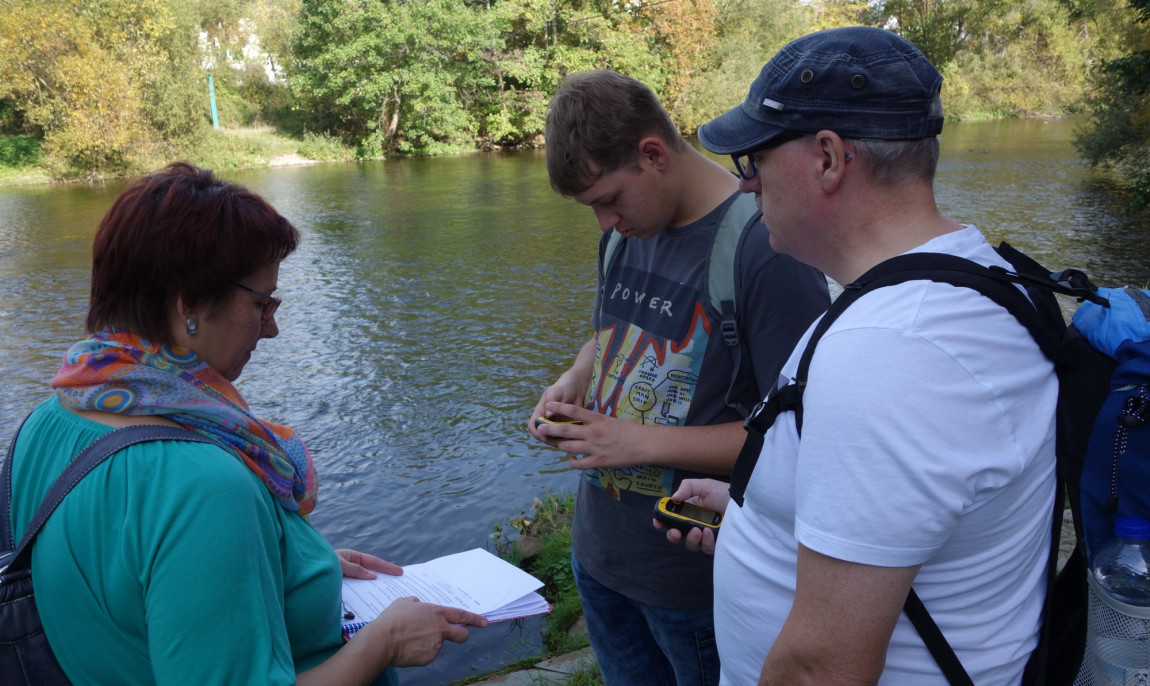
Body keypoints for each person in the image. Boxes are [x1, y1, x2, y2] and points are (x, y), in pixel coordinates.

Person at [658, 26, 1059, 685]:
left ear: (828, 160)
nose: (746, 187)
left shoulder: (894, 352)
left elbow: (822, 670)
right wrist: (765, 509)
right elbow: (915, 506)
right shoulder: (973, 277)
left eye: (754, 161)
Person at [4, 162, 486, 685]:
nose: (273, 327)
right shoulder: (206, 485)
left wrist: (289, 567)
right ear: (189, 304)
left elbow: (124, 590)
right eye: (261, 302)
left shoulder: (49, 419)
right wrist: (382, 643)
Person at [528, 70, 830, 685]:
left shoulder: (767, 250)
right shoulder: (625, 237)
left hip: (695, 585)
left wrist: (637, 442)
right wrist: (575, 376)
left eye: (608, 200)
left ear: (653, 154)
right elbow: (610, 329)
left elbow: (804, 435)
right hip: (599, 558)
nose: (604, 223)